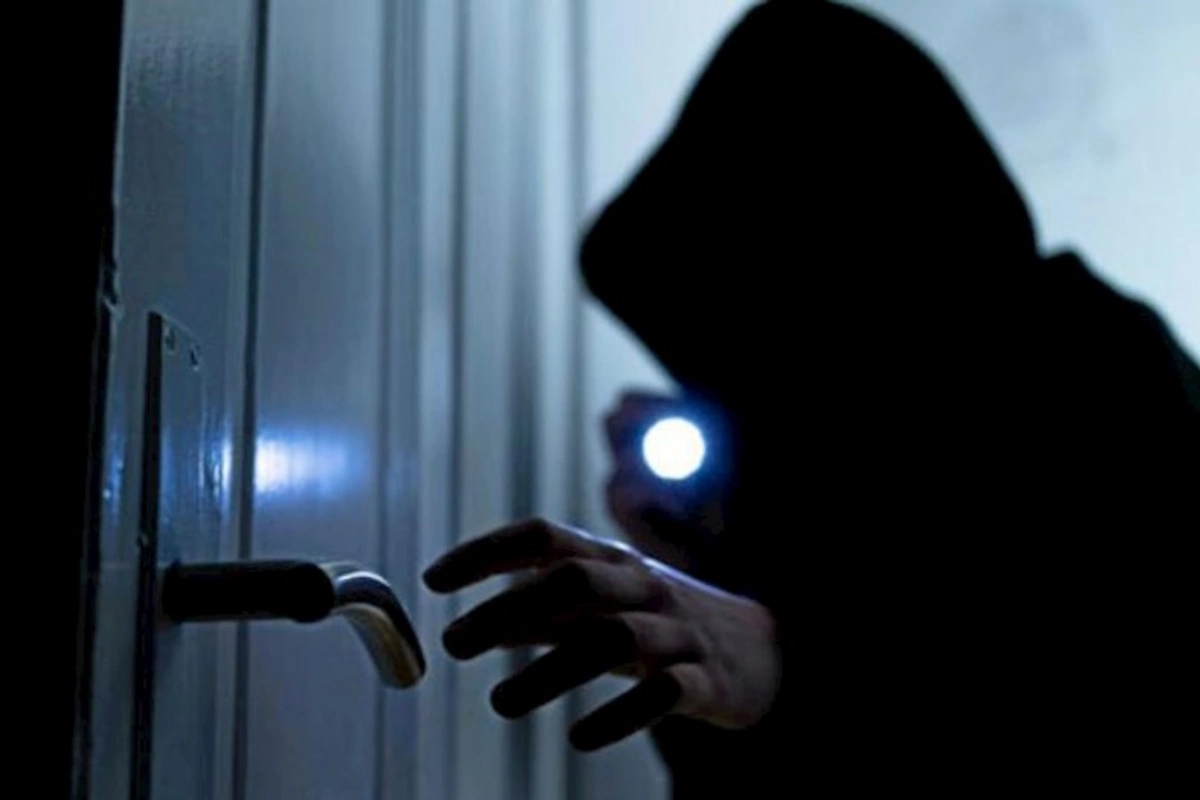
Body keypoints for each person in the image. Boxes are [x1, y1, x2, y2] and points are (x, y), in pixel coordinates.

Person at [425, 1, 1200, 794]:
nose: (774, 407)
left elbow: (1112, 687)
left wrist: (789, 659)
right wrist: (700, 576)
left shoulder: (1099, 365)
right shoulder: (806, 494)